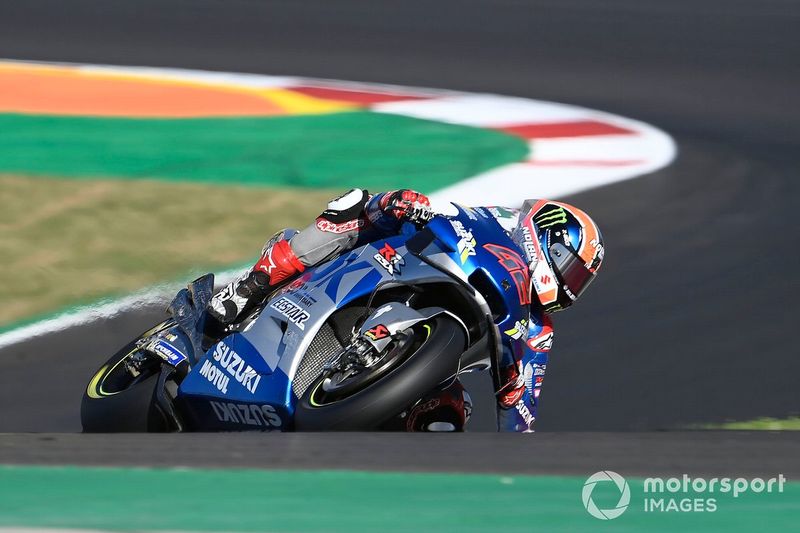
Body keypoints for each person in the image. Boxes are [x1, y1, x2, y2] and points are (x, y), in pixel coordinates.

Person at [207, 189, 604, 432]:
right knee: (355, 205)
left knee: (454, 412)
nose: (570, 286)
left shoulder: (537, 330)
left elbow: (521, 414)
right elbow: (441, 209)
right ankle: (251, 287)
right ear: (549, 241)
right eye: (570, 270)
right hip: (393, 265)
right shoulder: (494, 220)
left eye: (578, 282)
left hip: (421, 361)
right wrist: (405, 203)